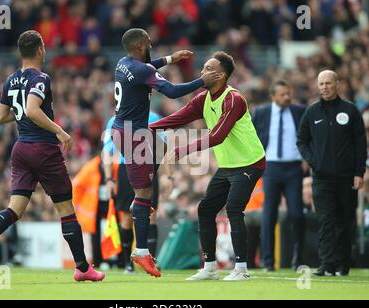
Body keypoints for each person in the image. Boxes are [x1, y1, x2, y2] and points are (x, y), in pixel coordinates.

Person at [0, 30, 105, 282]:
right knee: (65, 209)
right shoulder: (41, 78)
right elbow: (31, 109)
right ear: (40, 49)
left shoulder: (10, 80)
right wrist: (60, 131)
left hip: (21, 149)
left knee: (14, 209)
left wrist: (22, 114)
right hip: (43, 148)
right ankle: (83, 268)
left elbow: (1, 116)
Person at [110, 28, 220, 277]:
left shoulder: (123, 63)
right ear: (140, 46)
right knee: (144, 193)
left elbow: (148, 66)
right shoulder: (143, 70)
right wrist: (204, 81)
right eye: (148, 42)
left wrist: (171, 59)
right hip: (132, 135)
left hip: (131, 130)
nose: (152, 44)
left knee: (163, 150)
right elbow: (171, 91)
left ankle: (139, 205)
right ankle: (141, 251)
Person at [150, 51, 266, 281]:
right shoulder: (203, 98)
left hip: (250, 163)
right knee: (205, 210)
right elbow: (178, 118)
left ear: (221, 75)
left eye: (208, 69)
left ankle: (241, 269)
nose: (202, 72)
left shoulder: (234, 99)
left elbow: (217, 136)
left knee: (233, 209)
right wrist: (149, 128)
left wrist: (178, 151)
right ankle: (210, 267)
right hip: (228, 165)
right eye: (203, 68)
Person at [297, 70, 367, 276]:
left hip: (347, 178)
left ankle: (343, 263)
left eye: (328, 83)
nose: (325, 87)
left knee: (345, 222)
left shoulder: (351, 110)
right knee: (326, 220)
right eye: (321, 84)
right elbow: (301, 140)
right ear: (317, 86)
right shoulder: (312, 112)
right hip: (321, 178)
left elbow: (360, 144)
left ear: (337, 84)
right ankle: (327, 264)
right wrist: (313, 161)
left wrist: (359, 172)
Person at [103, 111, 170, 274]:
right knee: (126, 217)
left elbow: (162, 150)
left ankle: (151, 260)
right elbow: (107, 151)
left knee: (151, 214)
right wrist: (109, 179)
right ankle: (128, 264)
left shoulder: (154, 118)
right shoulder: (114, 120)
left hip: (149, 166)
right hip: (126, 169)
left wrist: (168, 176)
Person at [251, 80, 306, 271]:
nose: (287, 97)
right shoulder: (261, 112)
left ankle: (298, 259)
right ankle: (268, 262)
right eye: (282, 94)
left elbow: (307, 137)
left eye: (288, 93)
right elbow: (251, 137)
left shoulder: (300, 111)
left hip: (294, 168)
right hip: (271, 168)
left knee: (297, 214)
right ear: (273, 96)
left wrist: (307, 158)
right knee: (269, 215)